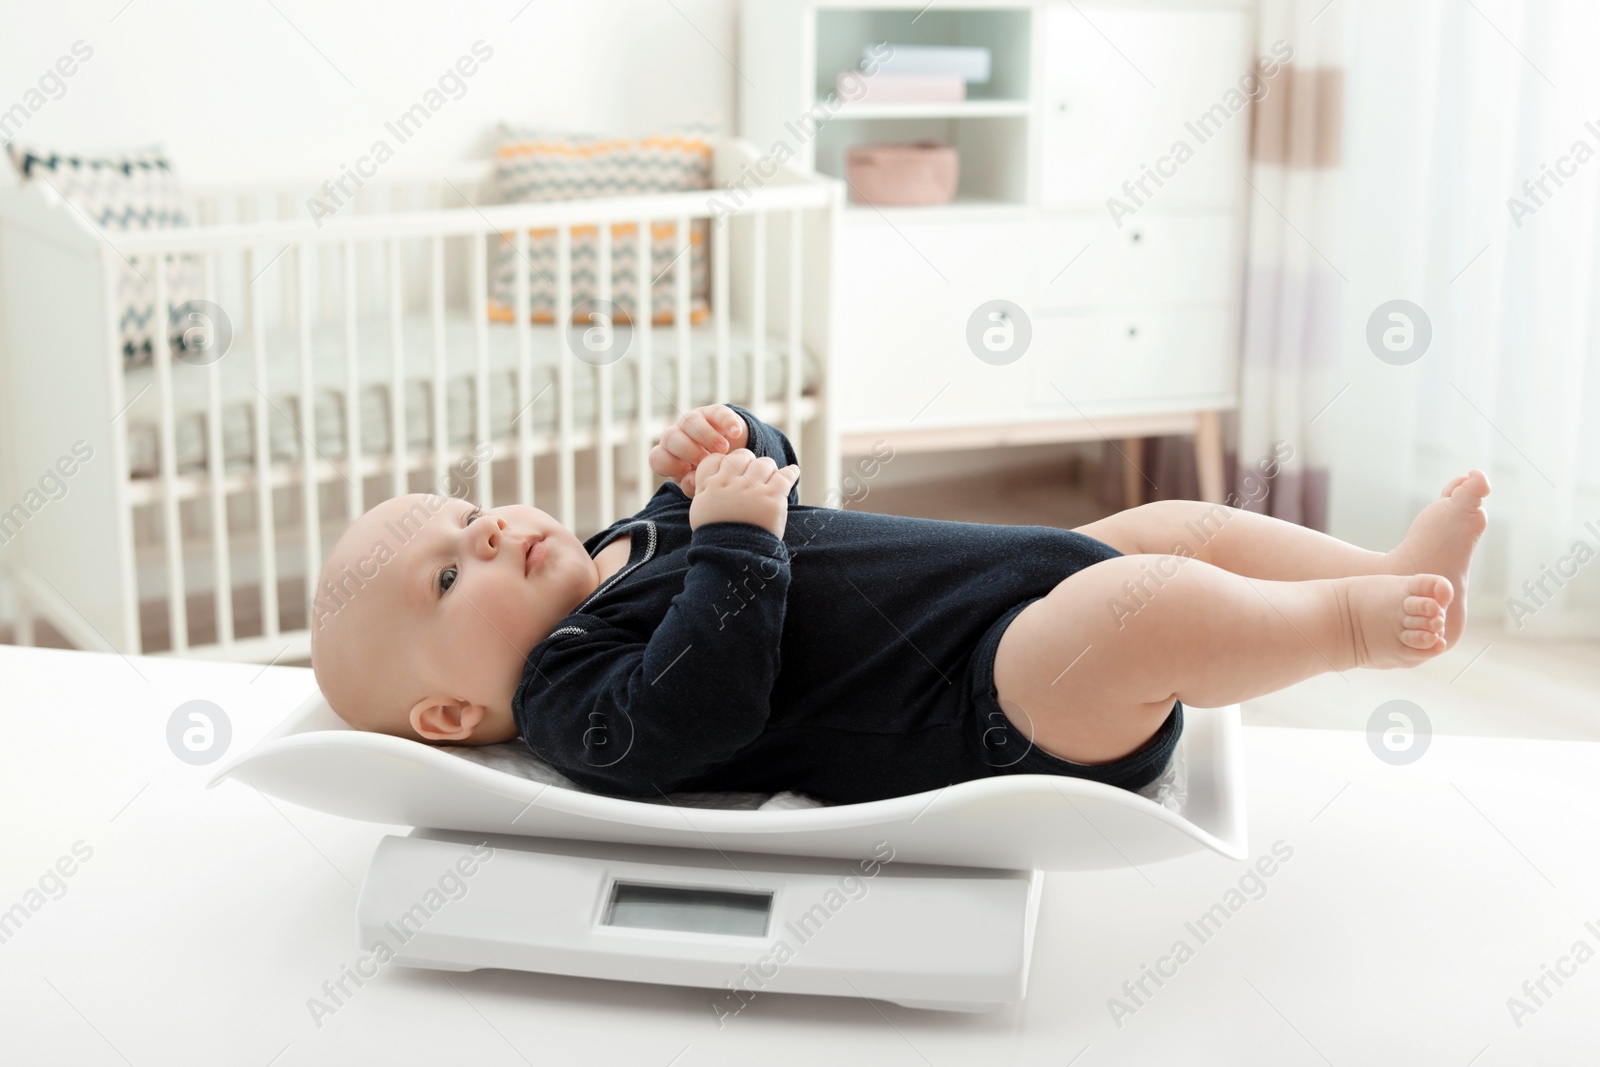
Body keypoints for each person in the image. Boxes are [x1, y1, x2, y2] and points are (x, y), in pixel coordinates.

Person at [309, 403, 1488, 806]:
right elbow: (698, 707)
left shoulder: (628, 545)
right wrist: (728, 532)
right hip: (990, 697)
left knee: (1173, 523)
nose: (492, 531)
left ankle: (1374, 565)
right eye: (451, 574)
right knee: (1149, 597)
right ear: (451, 714)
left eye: (470, 516)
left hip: (1013, 573)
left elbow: (772, 499)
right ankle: (1346, 628)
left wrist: (729, 448)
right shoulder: (575, 695)